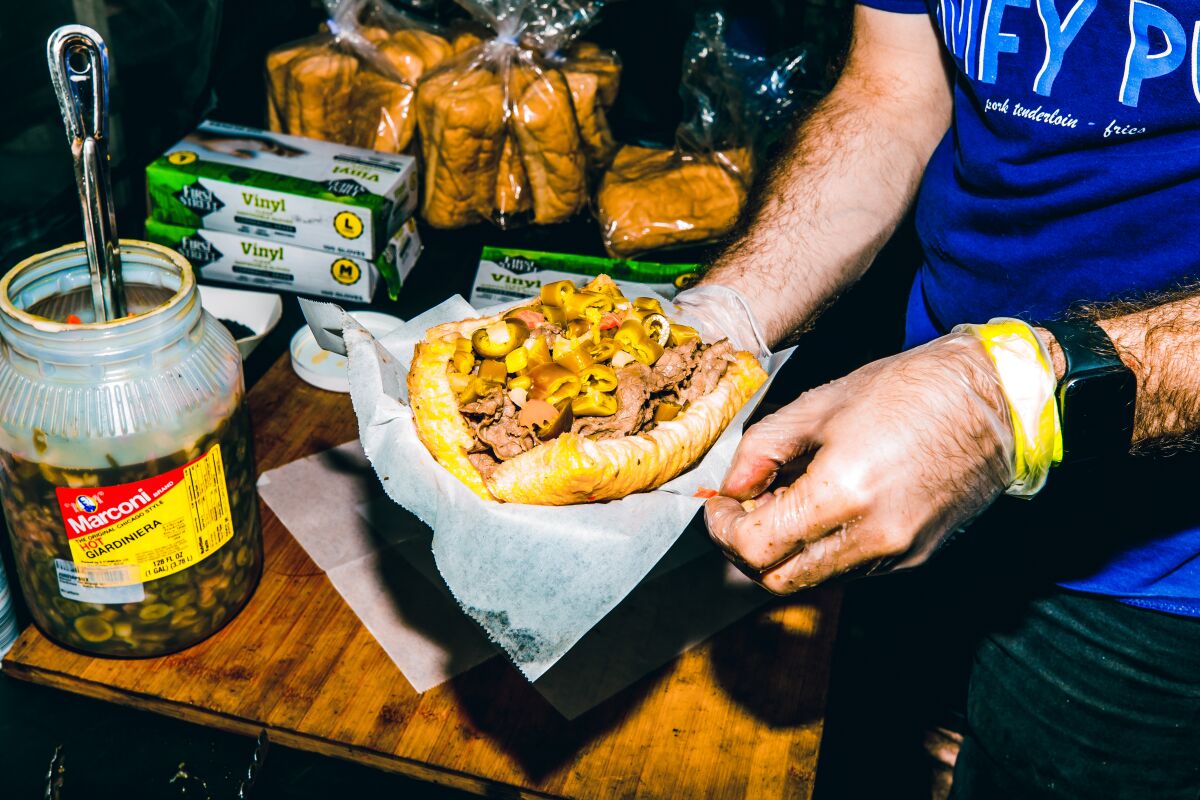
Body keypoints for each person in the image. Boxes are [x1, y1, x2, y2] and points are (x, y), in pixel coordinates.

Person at [672, 2, 1200, 797]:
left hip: (1149, 562)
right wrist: (727, 316)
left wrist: (1007, 396)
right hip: (906, 433)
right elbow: (892, 88)